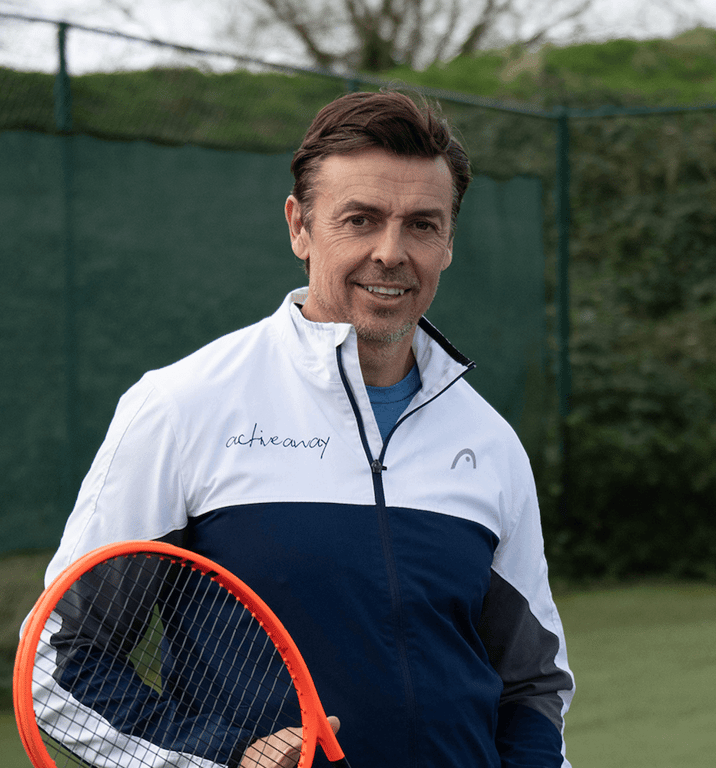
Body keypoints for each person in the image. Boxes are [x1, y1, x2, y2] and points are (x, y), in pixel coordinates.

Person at [37, 89, 574, 767]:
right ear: (299, 226)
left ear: (447, 244)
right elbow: (60, 661)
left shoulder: (491, 442)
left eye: (421, 225)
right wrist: (226, 758)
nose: (391, 252)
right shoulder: (182, 406)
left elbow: (531, 686)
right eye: (360, 219)